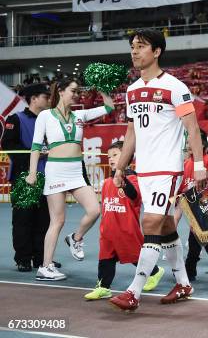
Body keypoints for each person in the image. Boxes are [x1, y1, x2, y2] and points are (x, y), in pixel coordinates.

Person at [110, 29, 205, 312]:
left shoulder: (175, 87)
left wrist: (198, 165)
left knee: (150, 224)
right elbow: (131, 134)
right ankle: (184, 283)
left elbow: (192, 128)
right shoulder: (131, 90)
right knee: (165, 227)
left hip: (167, 169)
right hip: (144, 169)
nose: (135, 51)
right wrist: (121, 166)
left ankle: (134, 291)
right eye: (132, 47)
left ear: (157, 51)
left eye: (141, 46)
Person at [27, 78, 114, 281]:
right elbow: (36, 146)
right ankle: (45, 267)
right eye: (73, 91)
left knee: (95, 210)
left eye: (78, 92)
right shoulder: (46, 116)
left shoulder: (80, 114)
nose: (77, 95)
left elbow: (109, 107)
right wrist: (32, 173)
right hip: (56, 171)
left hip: (76, 172)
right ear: (62, 91)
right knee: (57, 221)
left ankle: (75, 238)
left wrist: (102, 87)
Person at [84, 141, 164, 300]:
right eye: (109, 157)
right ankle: (103, 287)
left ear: (127, 157)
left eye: (115, 155)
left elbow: (135, 196)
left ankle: (154, 272)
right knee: (105, 258)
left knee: (135, 255)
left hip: (126, 229)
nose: (111, 159)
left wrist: (123, 181)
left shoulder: (133, 179)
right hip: (107, 231)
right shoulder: (107, 182)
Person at [1, 83, 52, 272]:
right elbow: (8, 145)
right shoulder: (16, 118)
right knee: (23, 220)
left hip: (47, 178)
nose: (48, 99)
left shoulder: (49, 119)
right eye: (45, 96)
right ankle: (23, 258)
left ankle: (40, 258)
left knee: (44, 220)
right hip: (23, 178)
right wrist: (35, 154)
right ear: (33, 98)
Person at [175, 132, 208, 281]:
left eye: (192, 142)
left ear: (202, 146)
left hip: (207, 209)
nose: (189, 145)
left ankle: (189, 272)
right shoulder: (185, 165)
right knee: (203, 238)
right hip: (193, 211)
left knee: (194, 242)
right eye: (188, 142)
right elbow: (181, 188)